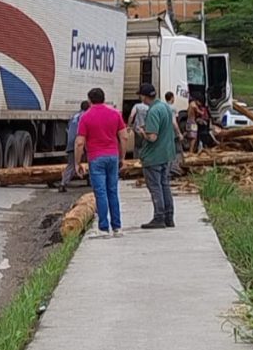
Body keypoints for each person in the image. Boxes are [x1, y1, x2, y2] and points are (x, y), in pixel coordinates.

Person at [75, 87, 128, 237]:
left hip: (96, 158)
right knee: (113, 191)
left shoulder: (85, 117)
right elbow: (124, 137)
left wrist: (77, 162)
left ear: (89, 100)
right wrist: (122, 157)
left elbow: (79, 142)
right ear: (104, 99)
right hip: (113, 156)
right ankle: (117, 227)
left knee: (101, 193)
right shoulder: (115, 114)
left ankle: (103, 228)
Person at [134, 83, 177, 229]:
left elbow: (152, 137)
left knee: (155, 187)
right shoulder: (165, 107)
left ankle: (159, 217)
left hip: (154, 157)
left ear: (144, 96)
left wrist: (142, 132)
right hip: (166, 154)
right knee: (165, 185)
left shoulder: (152, 111)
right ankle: (169, 216)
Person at [57, 100, 89, 193]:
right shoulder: (85, 116)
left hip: (71, 141)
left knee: (71, 164)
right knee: (91, 161)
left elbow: (68, 128)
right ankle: (91, 180)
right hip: (80, 140)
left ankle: (63, 183)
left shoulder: (74, 116)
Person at [165, 92, 185, 176]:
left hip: (165, 133)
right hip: (172, 133)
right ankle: (174, 169)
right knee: (177, 151)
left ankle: (167, 170)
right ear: (172, 98)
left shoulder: (163, 107)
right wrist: (179, 133)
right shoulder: (173, 108)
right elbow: (174, 122)